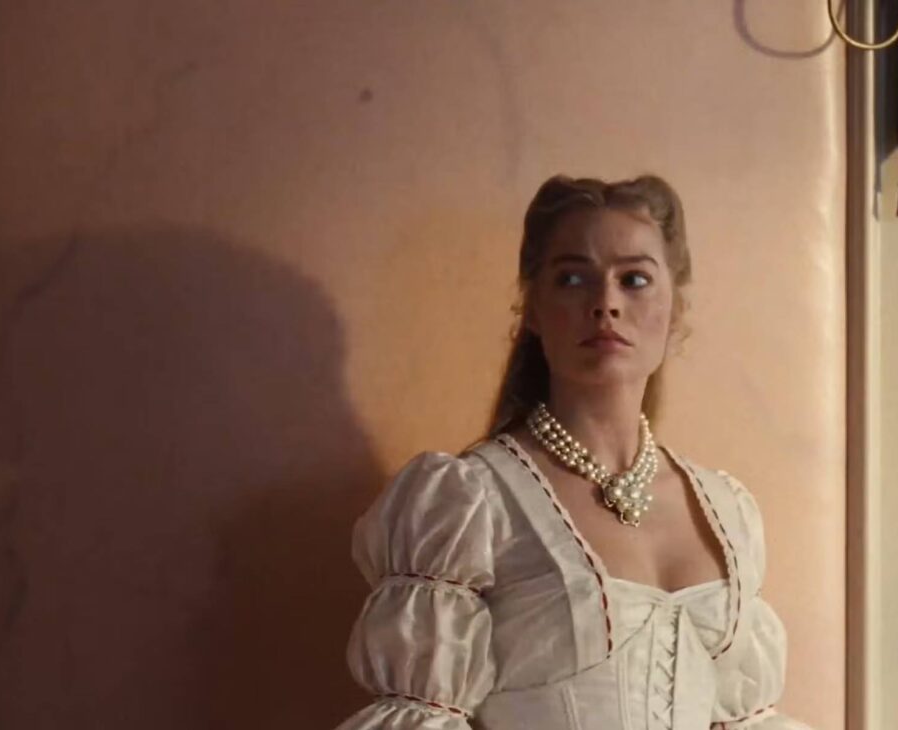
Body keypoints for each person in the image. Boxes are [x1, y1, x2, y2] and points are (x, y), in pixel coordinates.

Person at [335, 174, 812, 729]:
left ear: (675, 309)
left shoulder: (726, 511)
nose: (606, 303)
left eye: (634, 279)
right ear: (533, 308)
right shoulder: (467, 503)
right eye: (572, 279)